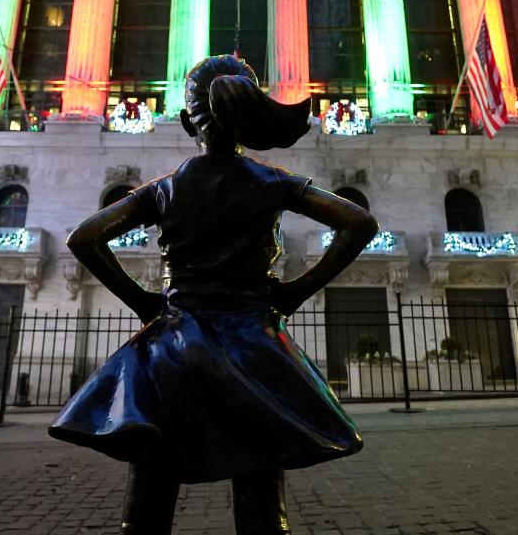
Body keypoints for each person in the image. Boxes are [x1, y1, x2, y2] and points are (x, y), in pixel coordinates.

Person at [49, 55, 379, 535]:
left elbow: (84, 237)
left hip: (172, 349)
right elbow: (359, 221)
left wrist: (143, 302)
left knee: (149, 498)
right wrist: (297, 291)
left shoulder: (165, 189)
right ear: (249, 114)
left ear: (187, 121)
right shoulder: (272, 182)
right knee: (262, 499)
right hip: (256, 347)